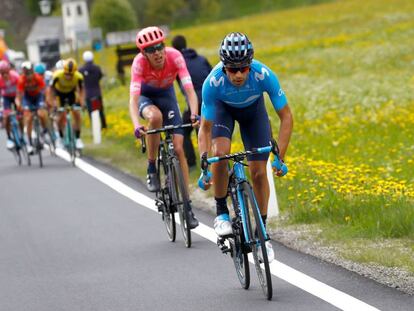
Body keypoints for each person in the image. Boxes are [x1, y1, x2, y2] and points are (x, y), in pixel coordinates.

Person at [198, 32, 293, 262]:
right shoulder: (212, 83)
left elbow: (286, 117)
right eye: (232, 69)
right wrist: (204, 165)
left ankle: (263, 235)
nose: (239, 74)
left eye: (243, 68)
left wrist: (280, 156)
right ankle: (221, 212)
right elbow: (205, 128)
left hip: (254, 113)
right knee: (220, 154)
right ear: (224, 67)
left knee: (260, 173)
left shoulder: (264, 74)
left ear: (250, 65)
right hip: (223, 111)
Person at [129, 26, 199, 228]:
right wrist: (136, 124)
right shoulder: (139, 63)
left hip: (168, 97)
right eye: (151, 50)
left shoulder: (175, 56)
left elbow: (189, 91)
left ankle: (187, 206)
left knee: (178, 148)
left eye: (159, 47)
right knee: (155, 118)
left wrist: (194, 113)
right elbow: (133, 100)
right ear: (144, 53)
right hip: (146, 98)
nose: (157, 52)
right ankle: (152, 167)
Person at [171, 35, 212, 168]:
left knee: (183, 130)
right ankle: (210, 161)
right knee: (206, 129)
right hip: (210, 99)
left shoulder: (178, 64)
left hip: (195, 102)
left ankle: (192, 162)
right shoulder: (201, 58)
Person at [51, 58, 85, 149]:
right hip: (59, 94)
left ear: (75, 72)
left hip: (70, 94)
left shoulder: (79, 77)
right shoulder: (57, 75)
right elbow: (51, 91)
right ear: (63, 71)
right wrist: (53, 103)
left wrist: (82, 102)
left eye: (71, 75)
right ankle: (60, 137)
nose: (69, 77)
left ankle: (78, 138)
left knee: (77, 115)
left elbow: (81, 90)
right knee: (60, 116)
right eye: (66, 74)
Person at [79, 50, 107, 129]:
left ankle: (95, 128)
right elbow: (100, 76)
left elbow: (80, 81)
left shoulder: (81, 70)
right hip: (97, 92)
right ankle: (104, 126)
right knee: (100, 110)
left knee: (91, 111)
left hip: (88, 94)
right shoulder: (97, 68)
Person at [0, 60, 21, 149]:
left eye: (6, 72)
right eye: (2, 73)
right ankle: (9, 138)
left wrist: (19, 101)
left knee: (21, 113)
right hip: (6, 99)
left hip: (16, 96)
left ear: (9, 71)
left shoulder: (15, 76)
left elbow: (21, 89)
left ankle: (22, 136)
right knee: (6, 117)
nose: (5, 75)